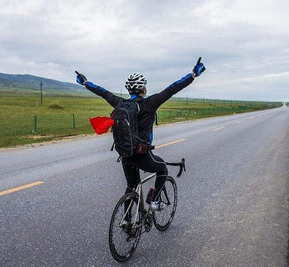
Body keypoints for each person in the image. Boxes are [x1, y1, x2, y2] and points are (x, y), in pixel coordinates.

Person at [75, 58, 205, 212]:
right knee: (162, 168)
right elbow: (172, 88)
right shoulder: (150, 104)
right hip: (142, 155)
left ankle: (127, 221)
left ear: (129, 89)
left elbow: (103, 92)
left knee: (131, 186)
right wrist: (192, 75)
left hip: (125, 155)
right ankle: (155, 201)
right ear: (143, 88)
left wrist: (85, 82)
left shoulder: (119, 103)